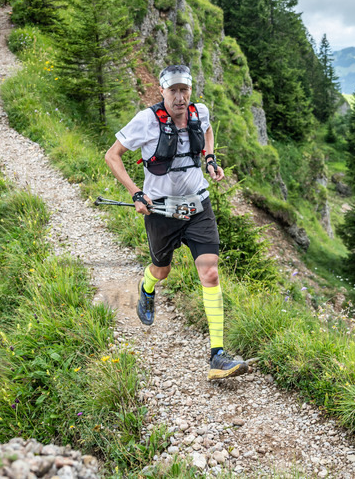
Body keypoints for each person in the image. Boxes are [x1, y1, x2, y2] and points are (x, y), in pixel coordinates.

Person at [105, 64, 249, 381]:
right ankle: (147, 287)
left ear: (190, 90)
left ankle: (218, 355)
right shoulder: (146, 121)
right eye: (174, 91)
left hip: (199, 204)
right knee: (162, 270)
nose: (180, 97)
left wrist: (210, 158)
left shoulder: (200, 112)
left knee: (210, 271)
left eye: (185, 90)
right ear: (163, 91)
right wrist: (136, 192)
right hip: (160, 211)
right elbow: (112, 155)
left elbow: (208, 131)